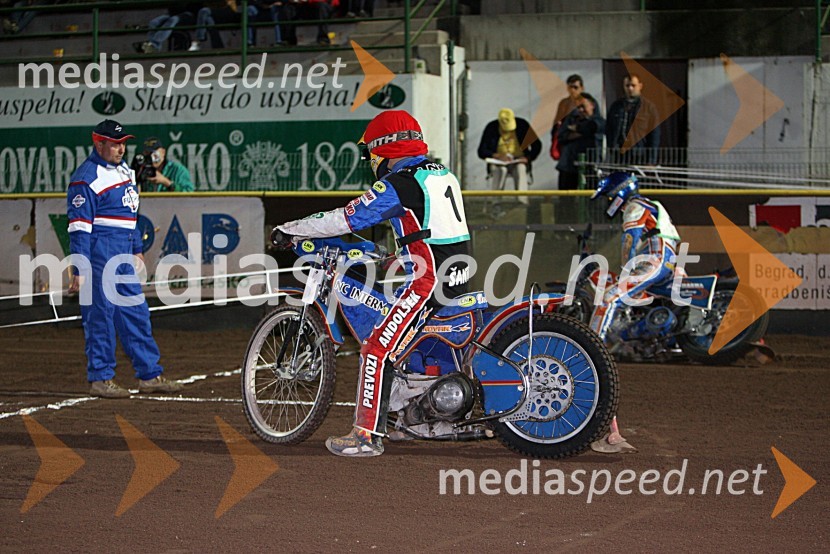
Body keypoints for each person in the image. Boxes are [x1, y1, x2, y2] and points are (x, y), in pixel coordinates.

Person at [272, 110, 471, 457]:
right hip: (458, 275)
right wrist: (401, 257)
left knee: (377, 348)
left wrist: (292, 228)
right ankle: (417, 420)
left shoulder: (399, 183)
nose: (370, 161)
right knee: (411, 340)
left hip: (429, 281)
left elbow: (346, 218)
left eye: (370, 153)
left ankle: (365, 435)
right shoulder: (441, 173)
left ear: (384, 150)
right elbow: (433, 230)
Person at [67, 120, 183, 398]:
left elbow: (131, 218)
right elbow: (79, 227)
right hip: (99, 253)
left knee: (136, 313)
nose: (121, 148)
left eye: (123, 143)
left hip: (121, 251)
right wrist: (79, 266)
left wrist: (135, 248)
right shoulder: (86, 178)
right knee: (101, 317)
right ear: (99, 144)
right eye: (115, 144)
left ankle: (149, 375)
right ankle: (101, 378)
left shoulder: (125, 172)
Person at [588, 172, 680, 347]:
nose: (608, 201)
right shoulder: (649, 204)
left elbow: (630, 239)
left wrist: (626, 270)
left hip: (656, 258)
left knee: (609, 296)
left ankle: (591, 347)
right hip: (665, 258)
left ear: (619, 191)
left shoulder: (634, 206)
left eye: (609, 196)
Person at [476, 107, 541, 206]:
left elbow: (537, 145)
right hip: (499, 162)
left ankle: (522, 202)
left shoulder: (522, 125)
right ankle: (496, 203)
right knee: (500, 170)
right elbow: (481, 151)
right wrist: (497, 156)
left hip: (518, 160)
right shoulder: (491, 127)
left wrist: (527, 158)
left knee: (520, 169)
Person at [605, 74, 661, 166]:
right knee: (620, 179)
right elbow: (609, 129)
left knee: (636, 179)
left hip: (639, 154)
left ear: (640, 86)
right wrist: (611, 146)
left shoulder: (648, 108)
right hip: (619, 153)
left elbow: (655, 134)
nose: (630, 88)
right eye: (627, 86)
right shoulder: (616, 106)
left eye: (633, 85)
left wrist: (651, 160)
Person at [556, 92, 604, 191]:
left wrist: (576, 129)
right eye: (578, 107)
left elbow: (593, 127)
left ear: (592, 105)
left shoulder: (599, 121)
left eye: (583, 106)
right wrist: (582, 132)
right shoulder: (571, 119)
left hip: (590, 167)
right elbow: (561, 136)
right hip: (568, 166)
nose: (580, 110)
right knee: (566, 198)